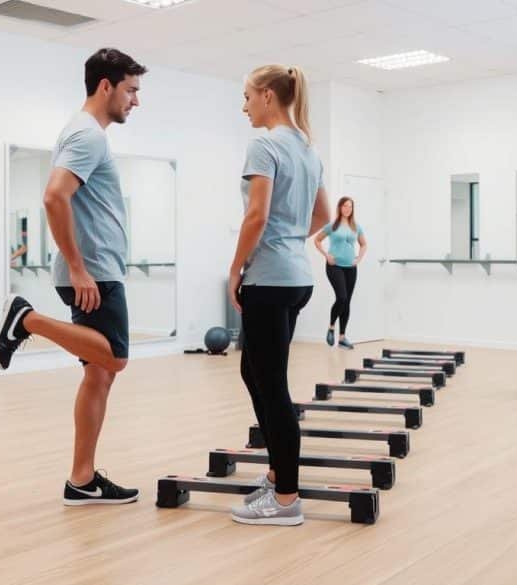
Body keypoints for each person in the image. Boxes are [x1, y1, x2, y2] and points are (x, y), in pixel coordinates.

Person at [0, 48, 147, 504]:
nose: (136, 101)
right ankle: (27, 320)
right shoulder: (88, 135)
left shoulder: (83, 132)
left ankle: (81, 480)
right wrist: (79, 268)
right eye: (131, 90)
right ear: (106, 86)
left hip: (97, 268)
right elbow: (53, 198)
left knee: (100, 374)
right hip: (94, 272)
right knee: (115, 358)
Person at [227, 64, 331, 526]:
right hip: (295, 278)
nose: (245, 105)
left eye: (248, 96)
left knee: (272, 386)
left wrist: (236, 269)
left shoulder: (265, 144)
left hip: (269, 280)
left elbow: (256, 215)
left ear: (268, 95)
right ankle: (275, 474)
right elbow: (324, 214)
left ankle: (286, 499)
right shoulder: (307, 148)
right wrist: (289, 240)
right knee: (255, 372)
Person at [314, 196, 366, 349]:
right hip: (334, 266)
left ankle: (342, 337)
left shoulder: (356, 227)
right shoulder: (332, 226)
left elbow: (363, 244)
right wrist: (326, 255)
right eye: (345, 206)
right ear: (340, 208)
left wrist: (358, 259)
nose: (347, 209)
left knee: (347, 301)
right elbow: (317, 240)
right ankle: (331, 327)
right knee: (341, 297)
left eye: (350, 207)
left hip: (351, 267)